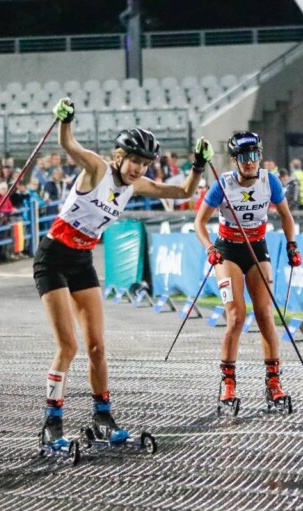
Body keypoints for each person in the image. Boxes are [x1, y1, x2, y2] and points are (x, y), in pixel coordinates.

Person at [36, 98, 210, 451]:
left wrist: (198, 165)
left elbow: (183, 191)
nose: (138, 169)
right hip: (53, 257)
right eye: (134, 161)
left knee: (98, 346)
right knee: (68, 346)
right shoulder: (97, 169)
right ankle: (52, 423)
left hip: (82, 261)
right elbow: (68, 145)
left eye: (145, 164)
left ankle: (103, 416)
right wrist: (66, 119)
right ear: (119, 156)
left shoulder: (135, 185)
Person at [193, 131, 301, 414]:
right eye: (244, 157)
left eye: (254, 156)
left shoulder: (270, 181)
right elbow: (199, 223)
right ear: (235, 160)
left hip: (257, 246)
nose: (250, 162)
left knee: (265, 313)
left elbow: (287, 216)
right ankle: (228, 385)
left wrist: (291, 245)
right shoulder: (222, 184)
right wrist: (209, 249)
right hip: (227, 250)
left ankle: (274, 383)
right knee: (237, 315)